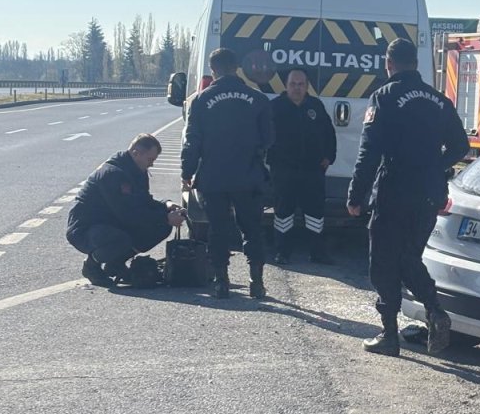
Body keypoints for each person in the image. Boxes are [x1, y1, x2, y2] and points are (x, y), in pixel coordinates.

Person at [348, 38, 470, 357]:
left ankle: (390, 335)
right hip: (429, 192)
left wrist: (355, 195)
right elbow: (460, 147)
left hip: (395, 189)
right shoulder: (439, 100)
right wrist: (433, 166)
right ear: (415, 63)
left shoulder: (384, 97)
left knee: (383, 262)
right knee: (408, 257)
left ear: (388, 64)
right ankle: (435, 312)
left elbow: (368, 153)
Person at [181, 48, 274, 299]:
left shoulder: (201, 100)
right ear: (237, 68)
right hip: (248, 175)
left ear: (213, 70)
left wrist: (187, 171)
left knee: (218, 230)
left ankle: (221, 282)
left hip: (214, 177)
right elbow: (269, 139)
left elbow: (192, 141)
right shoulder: (258, 99)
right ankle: (257, 283)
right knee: (252, 228)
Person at [67, 134, 186, 286]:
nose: (152, 164)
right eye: (150, 159)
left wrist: (166, 205)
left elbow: (143, 202)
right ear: (136, 153)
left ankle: (115, 263)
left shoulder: (137, 170)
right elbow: (128, 214)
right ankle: (92, 266)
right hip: (86, 228)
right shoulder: (112, 174)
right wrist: (165, 217)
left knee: (161, 227)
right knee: (120, 239)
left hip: (110, 223)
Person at [268, 67, 337, 265]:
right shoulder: (275, 107)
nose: (297, 88)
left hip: (312, 169)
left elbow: (329, 134)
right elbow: (265, 136)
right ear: (286, 85)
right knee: (283, 212)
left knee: (315, 212)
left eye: (301, 84)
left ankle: (317, 252)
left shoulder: (315, 106)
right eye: (293, 84)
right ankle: (282, 252)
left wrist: (328, 157)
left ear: (307, 86)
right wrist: (270, 159)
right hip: (284, 170)